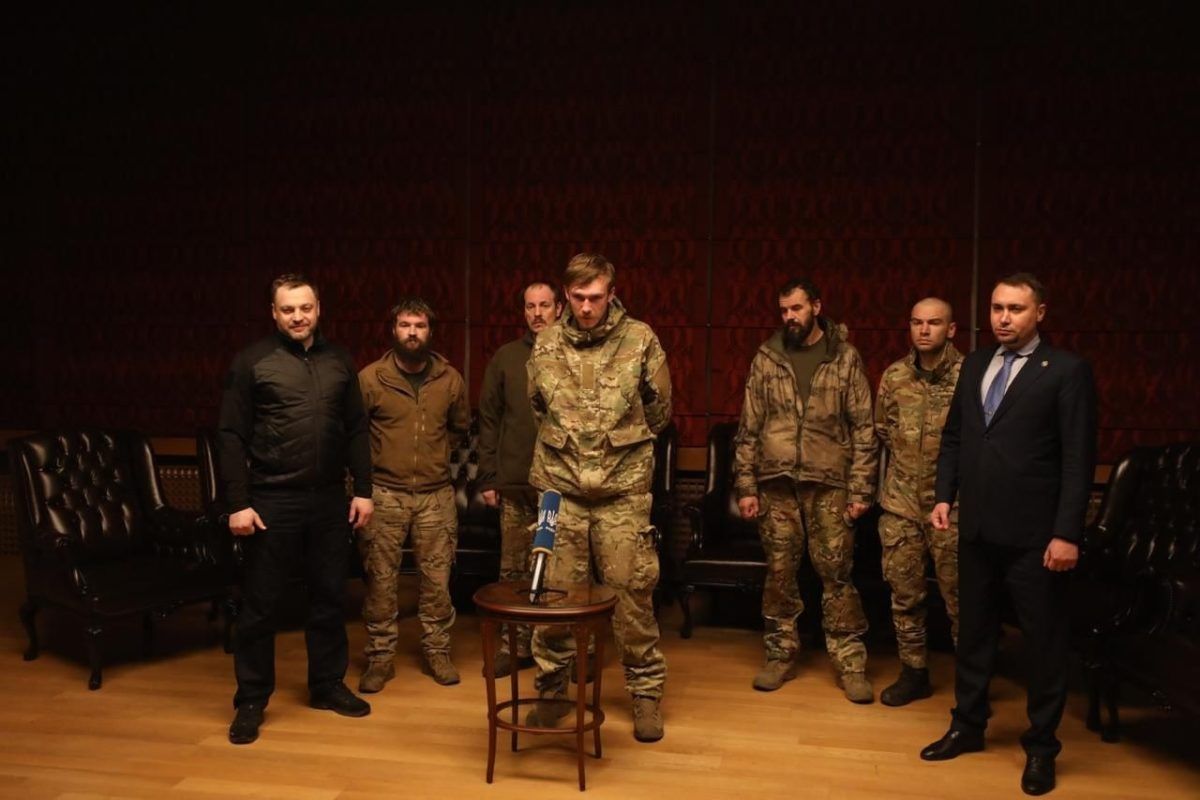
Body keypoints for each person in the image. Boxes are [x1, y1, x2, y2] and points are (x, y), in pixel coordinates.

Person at [919, 273, 1097, 797]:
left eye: (1015, 309)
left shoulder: (1066, 370)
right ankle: (967, 726)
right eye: (997, 307)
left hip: (1036, 539)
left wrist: (1067, 534)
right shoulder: (975, 364)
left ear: (1039, 313)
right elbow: (955, 437)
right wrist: (944, 495)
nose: (1003, 317)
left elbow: (1078, 460)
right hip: (976, 530)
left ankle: (1041, 748)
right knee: (973, 635)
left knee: (1042, 645)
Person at [218, 273, 374, 745]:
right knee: (260, 606)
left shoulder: (340, 360)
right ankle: (251, 700)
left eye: (305, 308)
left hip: (328, 500)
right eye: (288, 309)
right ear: (274, 313)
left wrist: (363, 490)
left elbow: (357, 429)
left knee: (329, 596)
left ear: (318, 308)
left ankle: (326, 685)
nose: (298, 317)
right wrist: (238, 503)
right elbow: (230, 435)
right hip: (272, 500)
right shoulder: (252, 362)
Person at [525, 253, 672, 743]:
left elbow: (660, 410)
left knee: (632, 596)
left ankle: (645, 692)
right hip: (561, 490)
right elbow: (537, 406)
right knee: (554, 596)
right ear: (565, 295)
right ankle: (552, 690)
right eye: (578, 297)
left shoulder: (641, 339)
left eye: (595, 297)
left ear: (612, 293)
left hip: (622, 492)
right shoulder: (546, 343)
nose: (586, 307)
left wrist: (616, 449)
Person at [733, 278, 879, 702]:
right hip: (775, 484)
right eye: (783, 311)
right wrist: (746, 486)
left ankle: (850, 662)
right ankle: (780, 654)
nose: (789, 317)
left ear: (817, 306)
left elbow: (864, 429)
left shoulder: (844, 358)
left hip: (829, 483)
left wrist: (861, 489)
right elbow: (748, 427)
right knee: (780, 573)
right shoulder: (767, 358)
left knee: (836, 573)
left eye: (796, 308)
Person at [356, 297, 471, 690]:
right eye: (405, 325)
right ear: (394, 330)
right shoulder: (371, 379)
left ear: (430, 331)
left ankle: (437, 652)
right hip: (384, 494)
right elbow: (355, 434)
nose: (412, 333)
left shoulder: (450, 380)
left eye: (419, 326)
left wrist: (433, 457)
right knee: (380, 582)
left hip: (435, 496)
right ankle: (380, 658)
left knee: (437, 581)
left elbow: (458, 428)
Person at [874, 297, 963, 706]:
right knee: (905, 596)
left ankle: (970, 681)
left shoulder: (970, 376)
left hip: (953, 508)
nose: (924, 330)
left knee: (962, 600)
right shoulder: (894, 376)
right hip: (901, 505)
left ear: (951, 329)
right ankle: (914, 673)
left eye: (934, 323)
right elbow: (883, 430)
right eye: (916, 322)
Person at [477, 280, 563, 677]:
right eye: (530, 306)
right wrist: (488, 477)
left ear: (559, 308)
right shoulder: (506, 357)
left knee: (559, 571)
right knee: (514, 571)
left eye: (544, 305)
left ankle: (558, 651)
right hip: (515, 481)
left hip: (560, 485)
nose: (537, 313)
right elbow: (489, 419)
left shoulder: (571, 353)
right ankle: (515, 646)